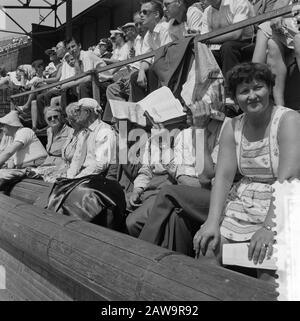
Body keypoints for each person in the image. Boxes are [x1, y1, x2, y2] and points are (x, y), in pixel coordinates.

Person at [193, 63, 300, 280]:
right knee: (207, 247)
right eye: (244, 91)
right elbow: (222, 177)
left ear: (269, 89)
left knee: (270, 259)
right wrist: (212, 221)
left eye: (258, 87)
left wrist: (269, 227)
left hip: (283, 203)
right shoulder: (232, 126)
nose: (252, 96)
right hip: (244, 203)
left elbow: (288, 179)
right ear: (235, 97)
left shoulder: (288, 120)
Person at [138, 101, 229, 255]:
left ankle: (141, 253)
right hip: (189, 192)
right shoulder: (185, 134)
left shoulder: (227, 129)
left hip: (218, 196)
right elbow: (183, 178)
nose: (184, 109)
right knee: (176, 218)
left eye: (191, 104)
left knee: (169, 192)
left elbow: (206, 178)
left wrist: (200, 131)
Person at [46, 98, 126, 231]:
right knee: (58, 188)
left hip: (100, 178)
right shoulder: (84, 133)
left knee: (72, 195)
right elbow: (76, 160)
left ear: (88, 112)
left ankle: (72, 228)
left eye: (78, 111)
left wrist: (76, 179)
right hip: (85, 175)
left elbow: (100, 164)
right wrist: (70, 178)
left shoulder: (105, 131)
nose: (76, 114)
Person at [103, 12, 148, 123]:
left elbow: (142, 61)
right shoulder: (134, 42)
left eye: (128, 29)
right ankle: (122, 116)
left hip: (138, 71)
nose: (126, 32)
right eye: (125, 30)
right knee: (111, 89)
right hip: (130, 71)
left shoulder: (142, 38)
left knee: (129, 78)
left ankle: (126, 117)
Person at [130, 0, 173, 102]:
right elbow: (146, 58)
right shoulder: (148, 36)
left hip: (171, 67)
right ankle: (141, 110)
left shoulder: (166, 29)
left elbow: (167, 56)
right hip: (158, 67)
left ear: (156, 14)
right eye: (140, 12)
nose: (141, 15)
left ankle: (155, 107)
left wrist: (148, 67)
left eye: (145, 12)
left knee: (153, 69)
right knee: (135, 77)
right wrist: (141, 71)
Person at [201, 0, 255, 76]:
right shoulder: (207, 12)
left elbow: (236, 34)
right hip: (223, 47)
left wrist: (208, 39)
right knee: (205, 54)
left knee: (228, 47)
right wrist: (204, 39)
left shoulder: (239, 2)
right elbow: (203, 37)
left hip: (247, 44)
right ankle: (209, 86)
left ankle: (230, 85)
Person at [0, 111, 48, 190]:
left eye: (4, 125)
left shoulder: (24, 131)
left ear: (11, 125)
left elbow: (8, 152)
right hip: (27, 169)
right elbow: (11, 159)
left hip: (37, 167)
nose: (2, 128)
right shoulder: (15, 137)